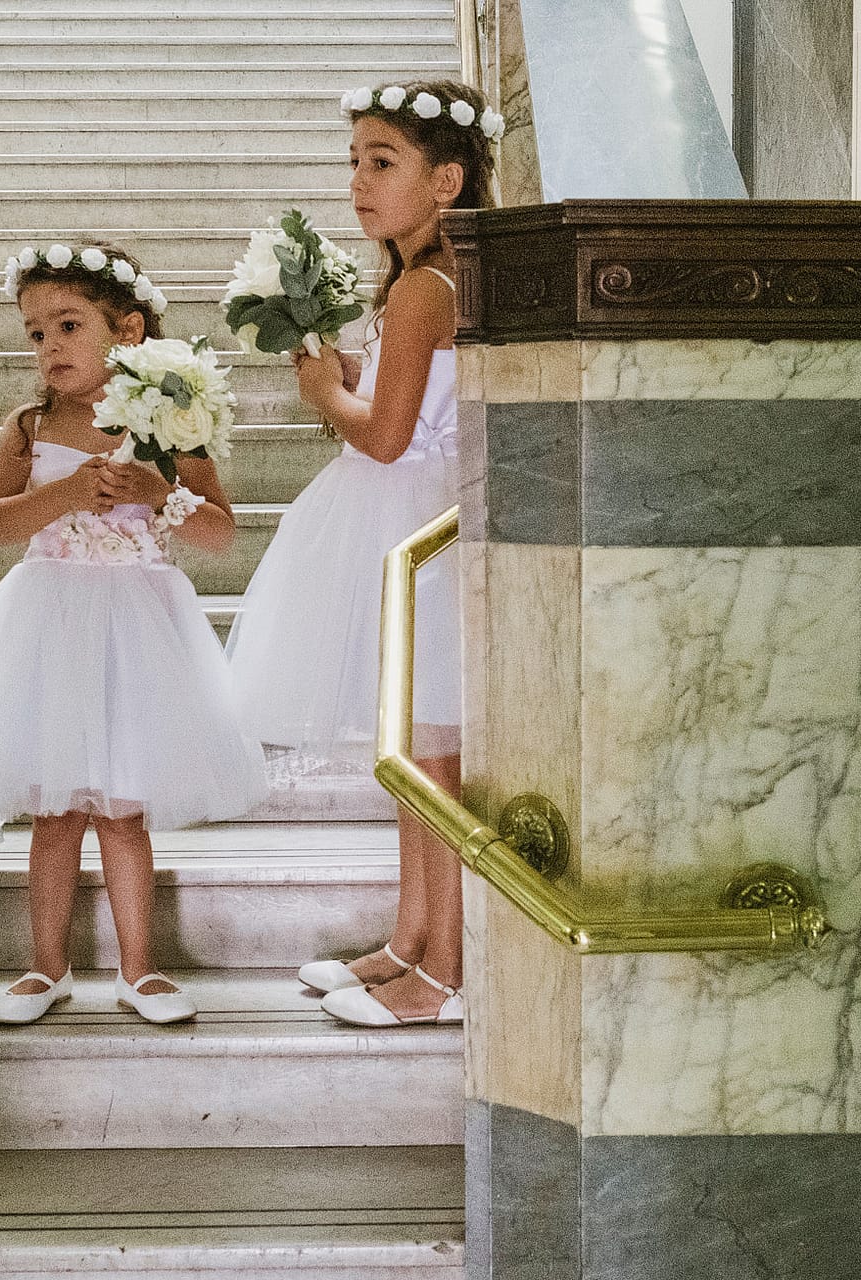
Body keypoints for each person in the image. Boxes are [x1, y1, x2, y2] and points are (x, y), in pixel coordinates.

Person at [224, 80, 501, 1026]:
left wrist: (320, 391)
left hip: (416, 528)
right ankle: (410, 939)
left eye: (382, 162)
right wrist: (356, 372)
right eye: (353, 160)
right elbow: (407, 403)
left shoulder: (427, 285)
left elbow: (383, 438)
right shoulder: (421, 278)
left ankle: (447, 974)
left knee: (433, 762)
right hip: (404, 521)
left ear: (448, 179)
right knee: (413, 755)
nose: (357, 181)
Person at [0, 241, 265, 1027]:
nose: (50, 346)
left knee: (122, 808)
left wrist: (159, 490)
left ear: (127, 329)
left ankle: (140, 968)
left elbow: (219, 534)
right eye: (36, 332)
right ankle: (46, 967)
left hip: (136, 629)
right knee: (55, 811)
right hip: (51, 625)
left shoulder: (172, 420)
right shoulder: (31, 424)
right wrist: (66, 491)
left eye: (68, 324)